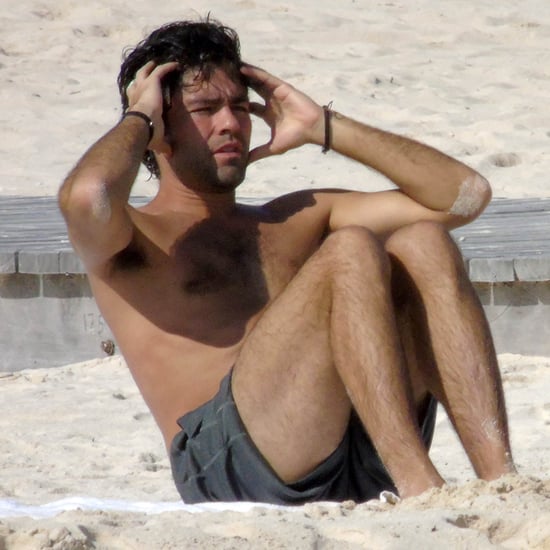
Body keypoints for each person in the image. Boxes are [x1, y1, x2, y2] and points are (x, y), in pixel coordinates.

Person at [58, 18, 516, 504]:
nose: (231, 123)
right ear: (159, 127)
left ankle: (502, 482)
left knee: (424, 240)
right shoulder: (131, 237)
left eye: (239, 105)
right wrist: (139, 117)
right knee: (351, 250)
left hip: (350, 444)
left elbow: (463, 198)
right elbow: (87, 198)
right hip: (227, 463)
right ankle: (420, 486)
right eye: (205, 109)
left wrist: (323, 126)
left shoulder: (292, 218)